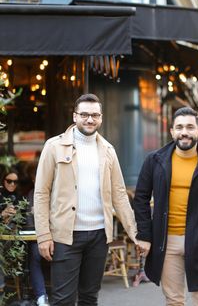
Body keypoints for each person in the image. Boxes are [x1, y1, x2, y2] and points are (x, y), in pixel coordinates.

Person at [34, 93, 137, 306]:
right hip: (65, 236)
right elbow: (41, 193)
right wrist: (43, 235)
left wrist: (135, 233)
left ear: (100, 118)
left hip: (99, 236)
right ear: (75, 116)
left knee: (90, 298)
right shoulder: (53, 147)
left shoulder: (108, 150)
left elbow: (119, 193)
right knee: (63, 300)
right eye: (84, 115)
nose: (90, 119)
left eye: (95, 115)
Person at [134, 107, 198, 306]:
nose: (184, 132)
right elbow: (141, 198)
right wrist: (144, 235)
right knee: (174, 300)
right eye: (179, 127)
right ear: (172, 131)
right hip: (166, 242)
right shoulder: (155, 161)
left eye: (189, 127)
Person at [26, 161, 50, 306]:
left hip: (58, 236)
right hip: (38, 236)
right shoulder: (31, 194)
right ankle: (41, 296)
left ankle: (43, 296)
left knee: (35, 257)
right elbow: (29, 221)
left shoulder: (54, 191)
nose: (35, 180)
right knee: (34, 255)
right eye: (33, 177)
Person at [0, 168, 22, 294]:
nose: (12, 184)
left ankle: (1, 286)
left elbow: (25, 221)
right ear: (4, 181)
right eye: (9, 181)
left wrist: (16, 216)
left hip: (14, 238)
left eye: (15, 182)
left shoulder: (20, 198)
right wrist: (2, 215)